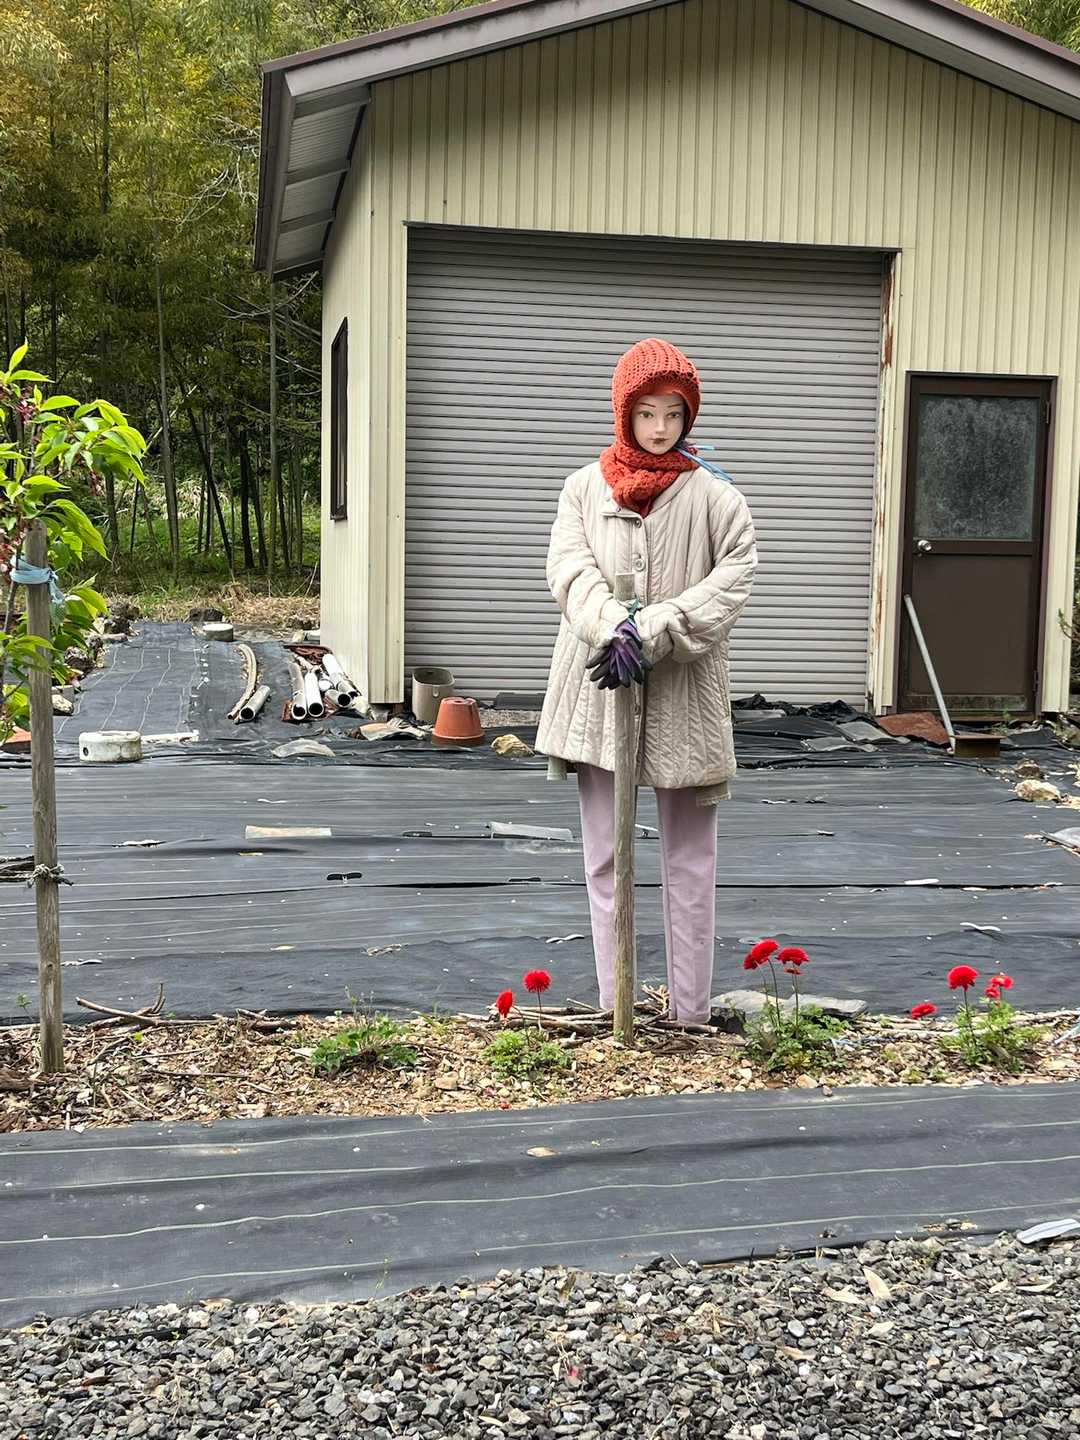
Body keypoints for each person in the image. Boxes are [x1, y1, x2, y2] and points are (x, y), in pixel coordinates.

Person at [536, 338, 758, 1026]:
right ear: (623, 412)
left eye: (673, 413)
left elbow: (736, 575)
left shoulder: (717, 498)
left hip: (685, 695)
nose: (660, 428)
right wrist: (614, 627)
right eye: (646, 413)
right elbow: (569, 570)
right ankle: (618, 1008)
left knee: (690, 860)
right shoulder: (583, 488)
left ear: (689, 416)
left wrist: (657, 626)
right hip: (599, 690)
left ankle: (690, 1015)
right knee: (605, 854)